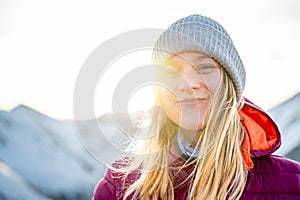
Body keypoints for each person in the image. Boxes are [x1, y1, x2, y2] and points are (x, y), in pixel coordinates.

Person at [92, 14, 300, 200]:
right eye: (172, 71)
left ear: (230, 85)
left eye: (205, 67)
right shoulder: (119, 187)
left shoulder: (292, 184)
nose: (188, 83)